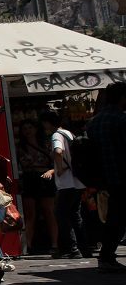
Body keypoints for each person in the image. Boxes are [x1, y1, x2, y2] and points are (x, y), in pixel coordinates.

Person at [86, 82, 126, 272]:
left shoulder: (95, 121)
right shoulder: (120, 119)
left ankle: (107, 255)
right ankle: (107, 256)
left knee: (114, 216)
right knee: (117, 218)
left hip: (105, 177)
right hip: (121, 174)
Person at [40, 110, 89, 259]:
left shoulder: (56, 135)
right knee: (75, 215)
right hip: (78, 181)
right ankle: (84, 248)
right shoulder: (69, 133)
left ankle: (72, 249)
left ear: (47, 123)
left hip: (66, 183)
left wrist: (59, 169)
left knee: (62, 216)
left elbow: (58, 151)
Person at [16, 119, 58, 254]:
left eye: (30, 127)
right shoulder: (19, 147)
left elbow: (55, 162)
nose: (27, 131)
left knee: (49, 212)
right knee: (30, 214)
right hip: (29, 178)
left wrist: (51, 171)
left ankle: (55, 244)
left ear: (36, 129)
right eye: (24, 129)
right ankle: (28, 245)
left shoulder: (45, 144)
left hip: (45, 177)